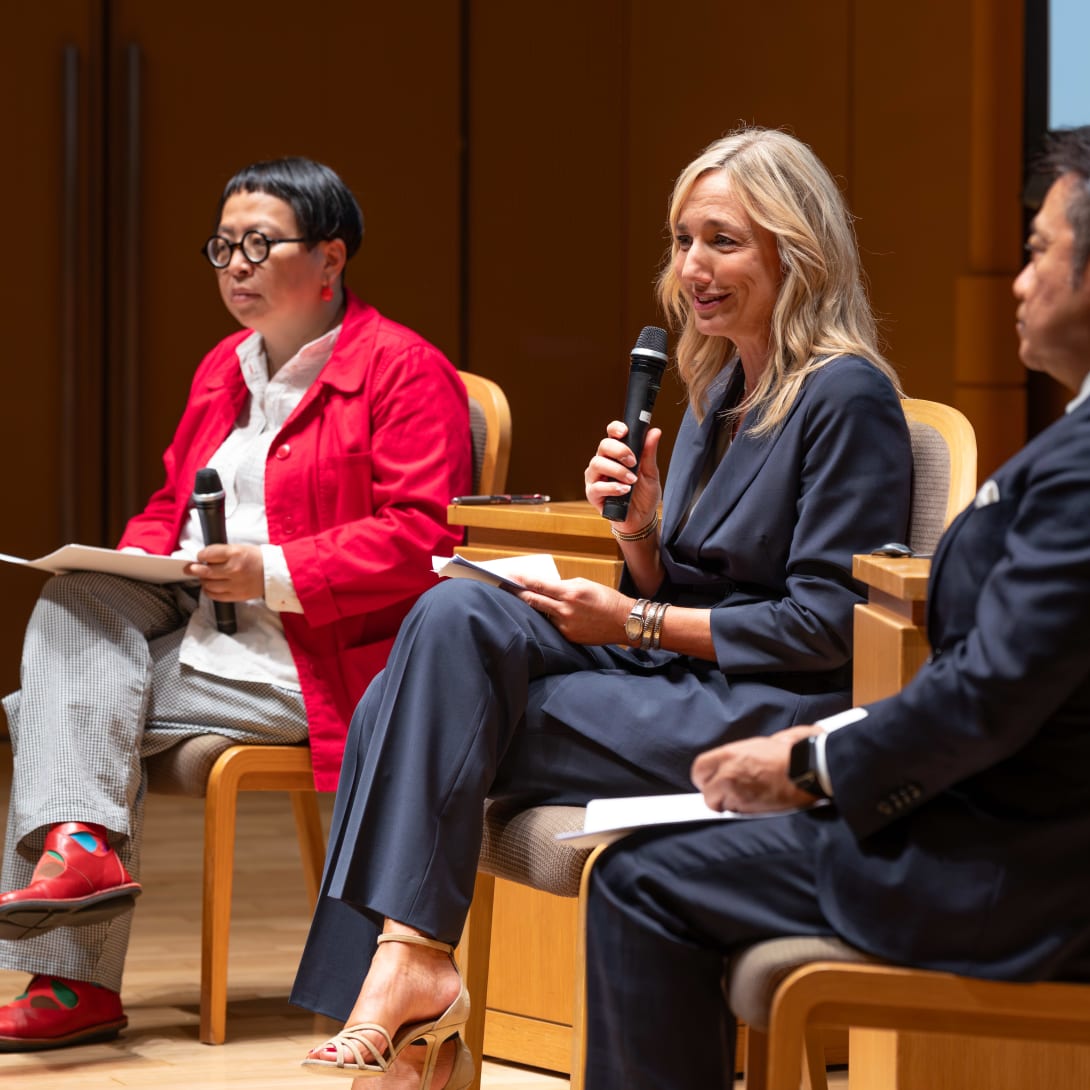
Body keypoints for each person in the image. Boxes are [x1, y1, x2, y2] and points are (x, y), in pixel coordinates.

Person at [289, 126, 913, 1090]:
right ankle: (409, 972)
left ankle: (403, 1001)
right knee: (453, 617)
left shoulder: (847, 396)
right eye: (682, 240)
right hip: (681, 674)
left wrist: (630, 621)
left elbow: (825, 626)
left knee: (401, 710)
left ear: (798, 252)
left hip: (773, 709)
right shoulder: (717, 388)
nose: (692, 268)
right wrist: (642, 538)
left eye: (723, 241)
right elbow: (683, 590)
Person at [581, 124, 1090, 1090]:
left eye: (1037, 252)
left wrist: (814, 762)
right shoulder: (1069, 446)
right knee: (470, 639)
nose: (1017, 283)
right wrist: (639, 543)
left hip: (1019, 867)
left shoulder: (1068, 469)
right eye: (682, 240)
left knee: (639, 880)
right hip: (983, 814)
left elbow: (987, 694)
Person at [0, 157, 472, 1051]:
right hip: (209, 635)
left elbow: (426, 537)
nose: (235, 265)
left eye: (259, 244)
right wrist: (137, 558)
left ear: (331, 258)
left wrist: (275, 570)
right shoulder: (226, 365)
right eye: (223, 246)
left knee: (48, 707)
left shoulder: (405, 370)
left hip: (326, 662)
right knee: (75, 597)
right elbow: (170, 504)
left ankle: (73, 976)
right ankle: (80, 862)